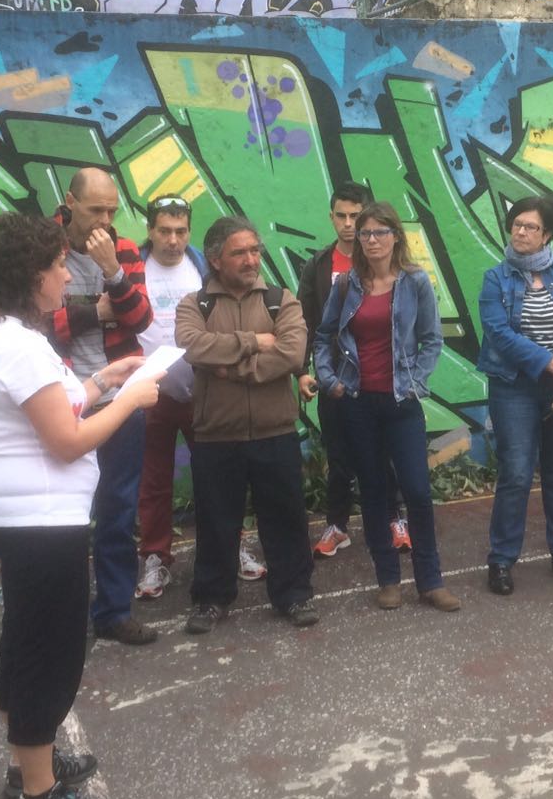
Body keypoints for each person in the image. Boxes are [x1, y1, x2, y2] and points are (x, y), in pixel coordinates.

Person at [0, 212, 158, 799]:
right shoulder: (18, 346)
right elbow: (67, 441)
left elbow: (55, 406)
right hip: (40, 521)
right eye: (54, 266)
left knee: (25, 636)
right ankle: (41, 798)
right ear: (29, 275)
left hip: (23, 515)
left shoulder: (2, 336)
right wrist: (129, 402)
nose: (63, 276)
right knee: (50, 651)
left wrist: (105, 379)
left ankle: (30, 763)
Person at [173, 217, 319, 634]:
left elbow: (292, 354)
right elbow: (193, 346)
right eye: (240, 252)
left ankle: (293, 594)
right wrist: (255, 341)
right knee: (217, 521)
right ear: (216, 258)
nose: (252, 259)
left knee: (286, 518)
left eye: (255, 250)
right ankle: (211, 598)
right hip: (217, 435)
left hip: (276, 432)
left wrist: (234, 370)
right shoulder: (194, 305)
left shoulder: (280, 300)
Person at [313, 201, 460, 612]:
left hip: (401, 402)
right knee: (374, 491)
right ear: (357, 240)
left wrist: (416, 380)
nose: (372, 240)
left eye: (380, 232)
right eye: (365, 233)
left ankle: (430, 581)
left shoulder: (415, 282)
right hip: (358, 403)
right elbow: (323, 337)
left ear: (396, 236)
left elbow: (432, 339)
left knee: (416, 489)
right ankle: (388, 579)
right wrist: (331, 381)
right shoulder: (347, 285)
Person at [48, 168, 155, 645]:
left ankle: (113, 611)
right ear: (69, 201)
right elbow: (36, 321)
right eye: (95, 210)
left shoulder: (124, 249)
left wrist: (113, 273)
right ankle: (60, 613)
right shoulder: (42, 247)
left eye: (112, 210)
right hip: (58, 398)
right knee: (62, 514)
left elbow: (139, 317)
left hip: (119, 401)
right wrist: (97, 311)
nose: (105, 220)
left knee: (117, 508)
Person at [477, 195, 553, 596]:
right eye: (516, 225)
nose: (520, 232)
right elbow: (499, 334)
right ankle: (501, 559)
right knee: (515, 472)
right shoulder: (496, 279)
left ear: (547, 234)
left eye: (530, 227)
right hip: (514, 387)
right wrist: (550, 363)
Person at [296, 182, 408, 559]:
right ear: (331, 218)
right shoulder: (318, 266)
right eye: (341, 216)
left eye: (355, 217)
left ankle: (395, 519)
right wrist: (303, 371)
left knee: (385, 453)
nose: (348, 224)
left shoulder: (386, 265)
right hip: (335, 381)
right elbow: (306, 323)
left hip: (380, 379)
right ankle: (337, 525)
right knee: (339, 456)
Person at [135, 195, 222, 600]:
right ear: (150, 230)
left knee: (218, 476)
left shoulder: (202, 267)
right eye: (164, 231)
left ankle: (228, 547)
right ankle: (155, 558)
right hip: (148, 392)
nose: (173, 240)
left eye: (181, 231)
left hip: (201, 391)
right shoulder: (133, 270)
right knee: (153, 481)